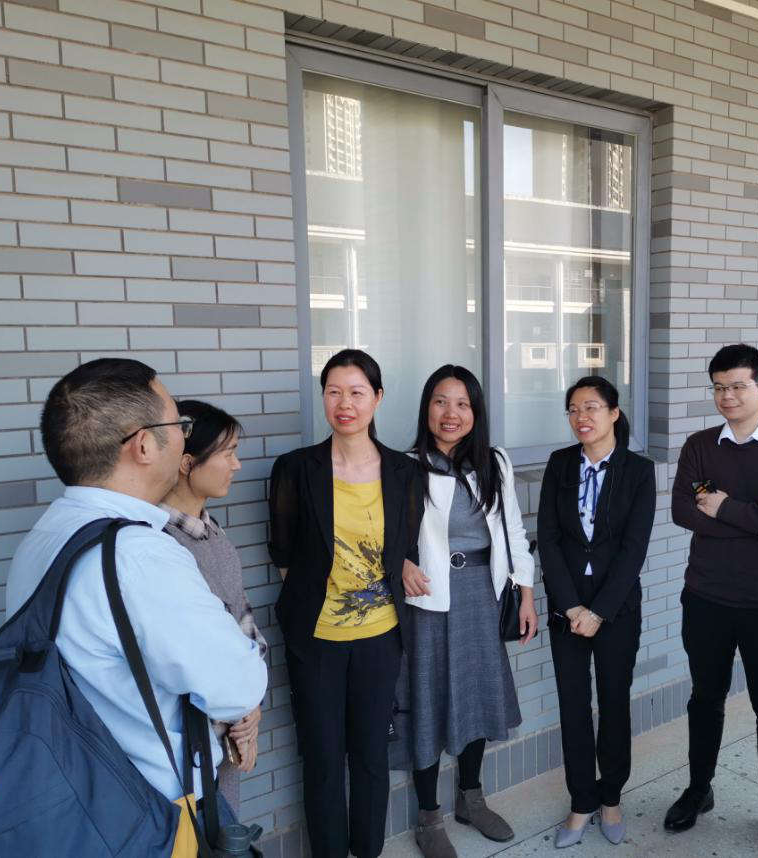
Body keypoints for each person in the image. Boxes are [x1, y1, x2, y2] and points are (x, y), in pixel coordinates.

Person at [5, 358, 268, 813]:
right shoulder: (142, 555)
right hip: (149, 808)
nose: (184, 436)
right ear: (144, 445)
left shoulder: (43, 536)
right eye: (179, 424)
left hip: (77, 795)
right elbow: (237, 685)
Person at [666, 344, 758, 858]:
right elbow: (682, 512)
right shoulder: (699, 446)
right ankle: (699, 789)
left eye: (737, 386)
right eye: (718, 387)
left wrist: (726, 508)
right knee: (704, 699)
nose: (727, 396)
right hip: (706, 597)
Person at [268, 349, 422, 858]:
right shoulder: (296, 469)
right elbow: (284, 555)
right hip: (316, 641)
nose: (344, 403)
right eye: (333, 392)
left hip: (380, 637)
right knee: (323, 760)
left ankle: (368, 850)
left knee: (372, 757)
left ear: (377, 398)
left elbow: (404, 545)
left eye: (356, 392)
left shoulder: (403, 471)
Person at [395, 365, 538, 858]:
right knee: (427, 698)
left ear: (475, 411)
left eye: (462, 404)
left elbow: (514, 531)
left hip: (482, 592)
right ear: (426, 409)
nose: (450, 413)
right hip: (428, 599)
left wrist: (526, 593)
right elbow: (386, 535)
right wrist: (402, 562)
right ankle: (428, 816)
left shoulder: (494, 463)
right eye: (440, 401)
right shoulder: (405, 466)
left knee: (476, 693)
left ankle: (470, 799)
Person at [538, 376, 655, 848]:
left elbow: (634, 548)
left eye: (591, 407)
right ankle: (581, 801)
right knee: (573, 705)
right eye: (573, 409)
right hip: (566, 607)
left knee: (613, 703)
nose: (581, 417)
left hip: (616, 608)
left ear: (613, 413)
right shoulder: (559, 464)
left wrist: (599, 611)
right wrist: (570, 605)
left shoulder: (638, 471)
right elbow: (548, 538)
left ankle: (611, 798)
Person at [159, 399, 268, 816]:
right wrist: (240, 716)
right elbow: (187, 654)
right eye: (228, 453)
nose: (236, 465)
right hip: (189, 745)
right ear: (187, 463)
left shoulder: (211, 532)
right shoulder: (158, 543)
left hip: (226, 734)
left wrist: (251, 710)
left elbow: (243, 621)